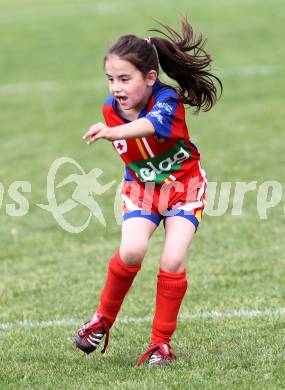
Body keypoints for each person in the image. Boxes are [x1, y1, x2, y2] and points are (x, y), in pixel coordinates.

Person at [74, 17, 222, 367]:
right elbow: (138, 160)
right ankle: (101, 320)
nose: (116, 87)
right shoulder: (111, 110)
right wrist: (117, 132)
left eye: (125, 79)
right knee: (132, 249)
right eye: (111, 79)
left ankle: (160, 345)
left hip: (185, 188)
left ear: (150, 78)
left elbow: (151, 126)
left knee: (172, 259)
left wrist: (115, 133)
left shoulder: (166, 99)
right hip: (142, 189)